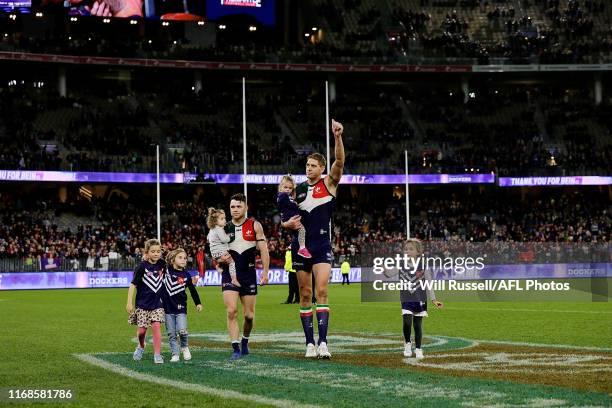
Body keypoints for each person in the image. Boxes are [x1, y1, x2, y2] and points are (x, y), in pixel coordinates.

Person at [282, 119, 345, 359]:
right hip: (300, 247)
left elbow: (340, 161)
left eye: (312, 165)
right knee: (306, 294)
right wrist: (285, 224)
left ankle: (324, 342)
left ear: (322, 168)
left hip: (321, 245)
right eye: (307, 165)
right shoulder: (296, 190)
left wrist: (337, 137)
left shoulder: (329, 183)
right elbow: (286, 218)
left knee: (322, 291)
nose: (308, 168)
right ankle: (309, 343)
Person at [222, 193, 269, 360]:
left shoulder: (255, 226)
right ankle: (235, 348)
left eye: (238, 206)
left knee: (249, 316)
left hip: (249, 274)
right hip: (230, 274)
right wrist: (219, 260)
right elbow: (215, 252)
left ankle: (245, 341)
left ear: (246, 208)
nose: (235, 209)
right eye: (232, 207)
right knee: (232, 311)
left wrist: (265, 272)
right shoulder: (223, 228)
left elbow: (263, 250)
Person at [386, 238, 443, 359]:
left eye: (411, 249)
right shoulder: (401, 264)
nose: (407, 251)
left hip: (420, 299)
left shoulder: (423, 266)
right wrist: (383, 268)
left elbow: (428, 283)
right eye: (406, 249)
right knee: (407, 322)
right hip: (406, 298)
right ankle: (407, 343)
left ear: (418, 252)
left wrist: (434, 299)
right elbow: (389, 274)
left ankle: (418, 349)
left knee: (417, 325)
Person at [126, 239, 166, 364]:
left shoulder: (163, 264)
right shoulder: (141, 267)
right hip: (142, 305)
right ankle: (141, 346)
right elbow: (133, 285)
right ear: (147, 252)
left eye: (158, 251)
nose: (156, 254)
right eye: (153, 251)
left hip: (157, 304)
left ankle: (157, 354)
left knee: (156, 326)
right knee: (142, 331)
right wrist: (129, 302)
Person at [162, 248, 203, 363]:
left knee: (182, 330)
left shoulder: (186, 276)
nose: (184, 260)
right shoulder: (166, 271)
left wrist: (198, 303)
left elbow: (192, 291)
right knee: (171, 333)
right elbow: (159, 261)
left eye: (185, 258)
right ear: (172, 260)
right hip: (167, 308)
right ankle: (175, 353)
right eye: (180, 257)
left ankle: (184, 347)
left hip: (181, 307)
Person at [277, 175, 312, 259]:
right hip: (290, 217)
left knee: (298, 233)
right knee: (302, 229)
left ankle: (293, 244)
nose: (288, 189)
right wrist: (296, 205)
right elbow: (286, 204)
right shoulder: (283, 196)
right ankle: (302, 248)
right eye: (285, 187)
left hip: (290, 217)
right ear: (281, 187)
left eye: (290, 188)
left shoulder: (287, 196)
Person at [207, 208, 241, 288]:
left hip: (215, 253)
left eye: (224, 218)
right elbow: (224, 239)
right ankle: (234, 279)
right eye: (222, 219)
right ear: (215, 221)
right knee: (231, 262)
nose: (224, 220)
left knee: (222, 261)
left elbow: (208, 238)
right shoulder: (218, 229)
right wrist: (229, 236)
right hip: (221, 251)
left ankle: (218, 267)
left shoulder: (211, 229)